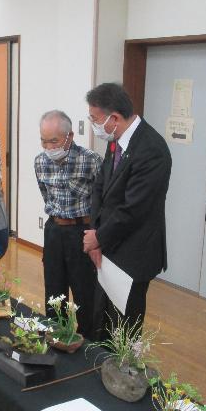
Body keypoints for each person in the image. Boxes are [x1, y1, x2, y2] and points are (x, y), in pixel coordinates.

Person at [83, 83, 172, 335]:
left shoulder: (152, 149)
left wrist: (98, 237)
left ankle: (124, 371)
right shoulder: (117, 139)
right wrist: (96, 236)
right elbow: (99, 188)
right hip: (108, 245)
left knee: (124, 327)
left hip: (135, 251)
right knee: (102, 319)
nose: (93, 124)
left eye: (95, 119)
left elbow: (133, 209)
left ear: (114, 118)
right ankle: (100, 368)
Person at [35, 110, 102, 340]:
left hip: (81, 231)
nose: (49, 146)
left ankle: (88, 344)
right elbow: (46, 196)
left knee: (85, 291)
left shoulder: (90, 160)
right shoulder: (40, 161)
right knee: (54, 289)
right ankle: (57, 338)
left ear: (69, 136)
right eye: (44, 140)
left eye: (54, 140)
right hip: (54, 230)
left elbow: (103, 199)